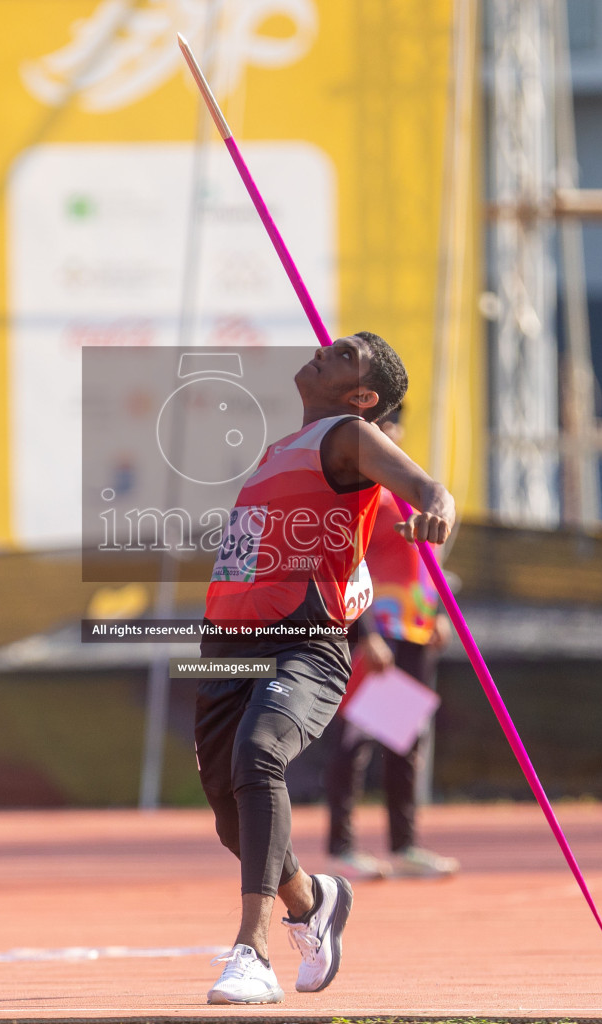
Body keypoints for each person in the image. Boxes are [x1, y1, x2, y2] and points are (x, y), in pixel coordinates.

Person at [195, 332, 454, 1005]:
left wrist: (439, 511)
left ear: (362, 397)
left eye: (344, 355)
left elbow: (429, 489)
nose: (325, 349)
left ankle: (253, 950)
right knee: (231, 812)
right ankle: (316, 898)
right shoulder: (281, 448)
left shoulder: (350, 434)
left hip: (317, 640)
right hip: (231, 644)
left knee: (273, 754)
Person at [324, 406, 460, 881]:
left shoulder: (412, 491)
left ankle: (404, 846)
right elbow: (346, 566)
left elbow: (422, 563)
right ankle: (341, 847)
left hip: (414, 629)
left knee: (405, 740)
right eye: (379, 429)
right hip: (374, 632)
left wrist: (435, 614)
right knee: (356, 738)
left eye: (393, 425)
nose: (390, 435)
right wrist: (367, 635)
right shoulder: (362, 494)